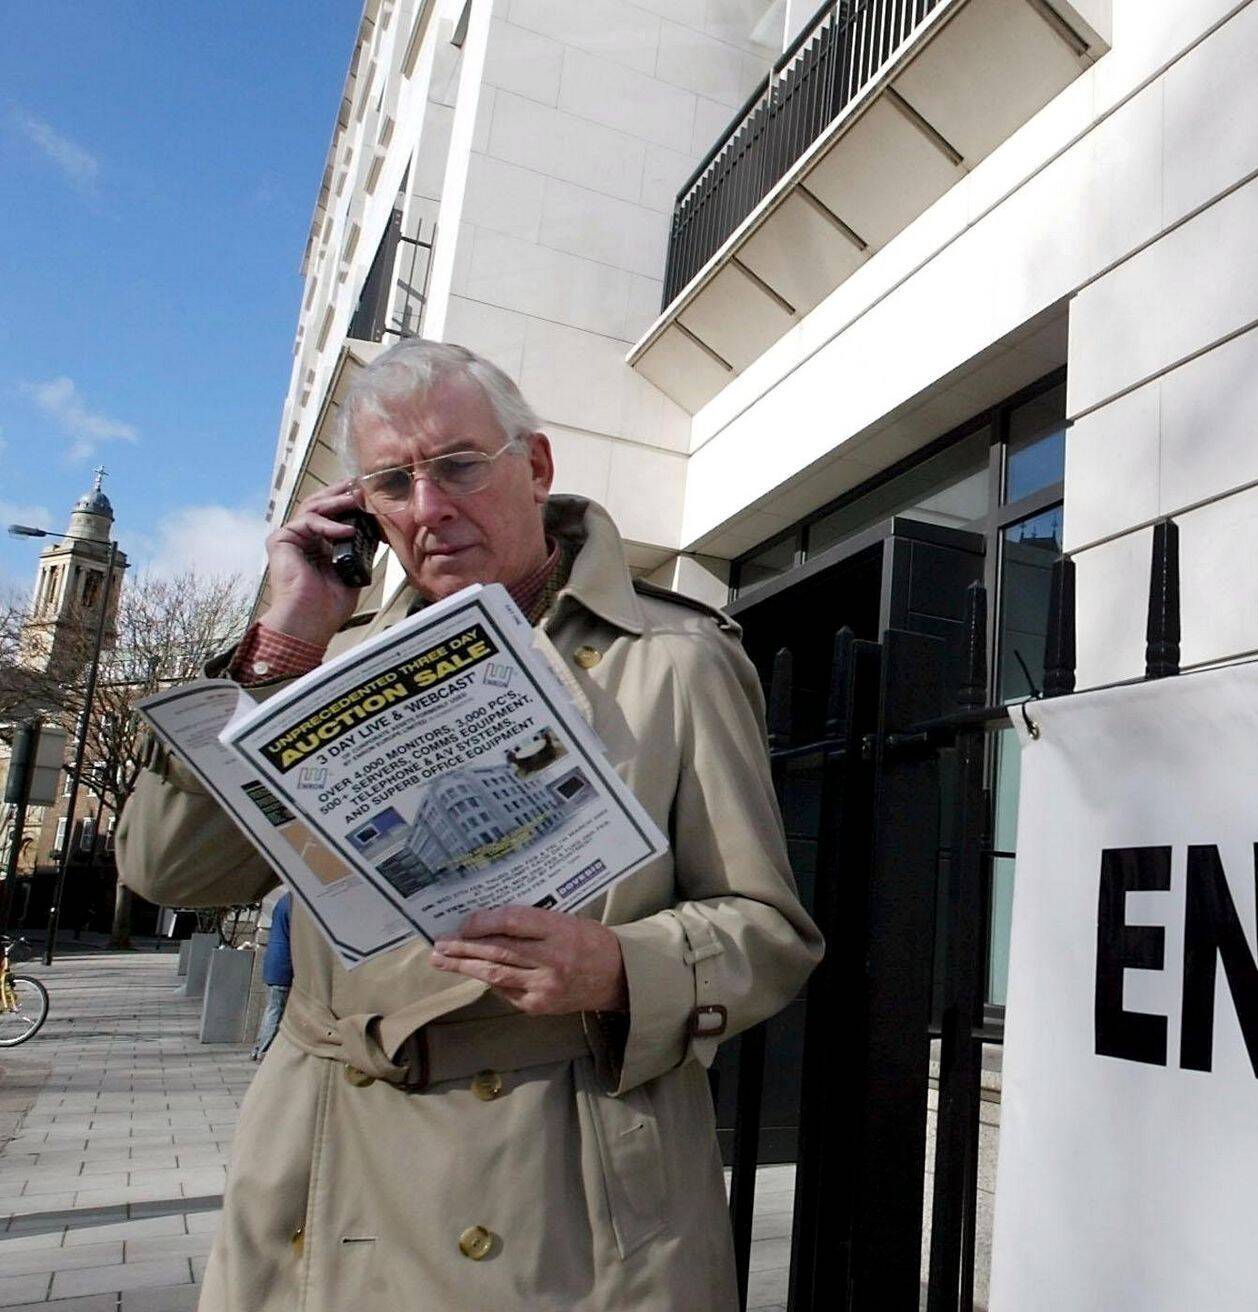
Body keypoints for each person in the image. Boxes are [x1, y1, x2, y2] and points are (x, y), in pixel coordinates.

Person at [118, 339, 823, 1311]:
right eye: (391, 483)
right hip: (332, 1172)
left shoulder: (674, 657)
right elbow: (170, 872)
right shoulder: (321, 656)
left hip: (563, 1192)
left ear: (534, 469)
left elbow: (768, 929)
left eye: (456, 466)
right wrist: (281, 640)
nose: (427, 508)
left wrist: (621, 967)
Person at [250, 890, 292, 1060]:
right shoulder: (294, 903)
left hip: (274, 964)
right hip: (283, 966)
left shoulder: (283, 901)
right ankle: (263, 1050)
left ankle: (259, 1047)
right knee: (276, 1010)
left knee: (273, 1008)